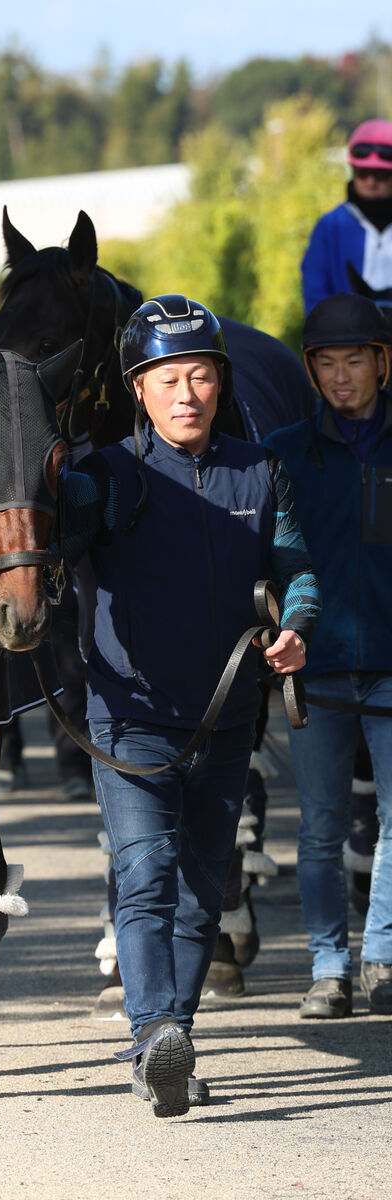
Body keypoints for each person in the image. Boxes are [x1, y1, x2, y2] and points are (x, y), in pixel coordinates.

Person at [62, 294, 320, 1117]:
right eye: (168, 377)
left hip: (228, 716)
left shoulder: (258, 469)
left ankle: (171, 1041)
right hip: (129, 718)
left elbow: (297, 572)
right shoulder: (103, 478)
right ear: (137, 389)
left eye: (201, 375)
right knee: (145, 876)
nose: (186, 393)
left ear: (220, 383)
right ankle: (153, 1038)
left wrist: (296, 628)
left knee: (205, 886)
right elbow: (32, 543)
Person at [264, 291, 392, 1020]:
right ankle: (327, 966)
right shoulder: (284, 453)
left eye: (354, 361)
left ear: (382, 362)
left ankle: (380, 955)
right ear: (311, 372)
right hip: (314, 667)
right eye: (325, 364)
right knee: (318, 824)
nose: (341, 377)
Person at [301, 118, 392, 314]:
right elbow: (315, 302)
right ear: (353, 172)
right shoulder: (329, 227)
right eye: (363, 173)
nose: (370, 182)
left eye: (381, 175)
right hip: (348, 341)